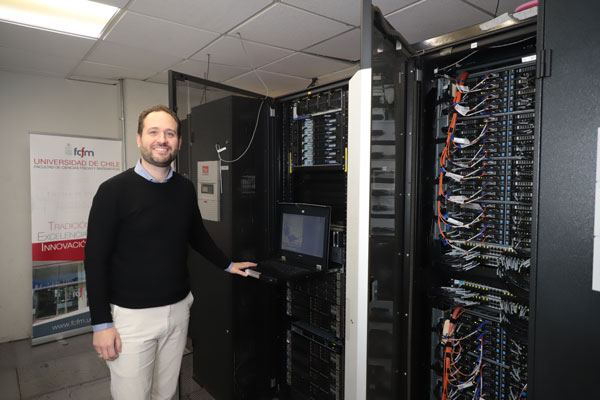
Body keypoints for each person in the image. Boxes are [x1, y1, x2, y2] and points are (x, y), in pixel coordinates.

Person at [84, 104, 256, 400]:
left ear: (177, 141)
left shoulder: (185, 189)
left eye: (170, 133)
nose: (162, 139)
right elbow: (94, 259)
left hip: (178, 311)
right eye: (154, 132)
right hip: (133, 318)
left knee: (166, 394)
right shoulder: (113, 191)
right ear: (139, 138)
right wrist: (101, 323)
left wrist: (227, 265)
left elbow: (197, 235)